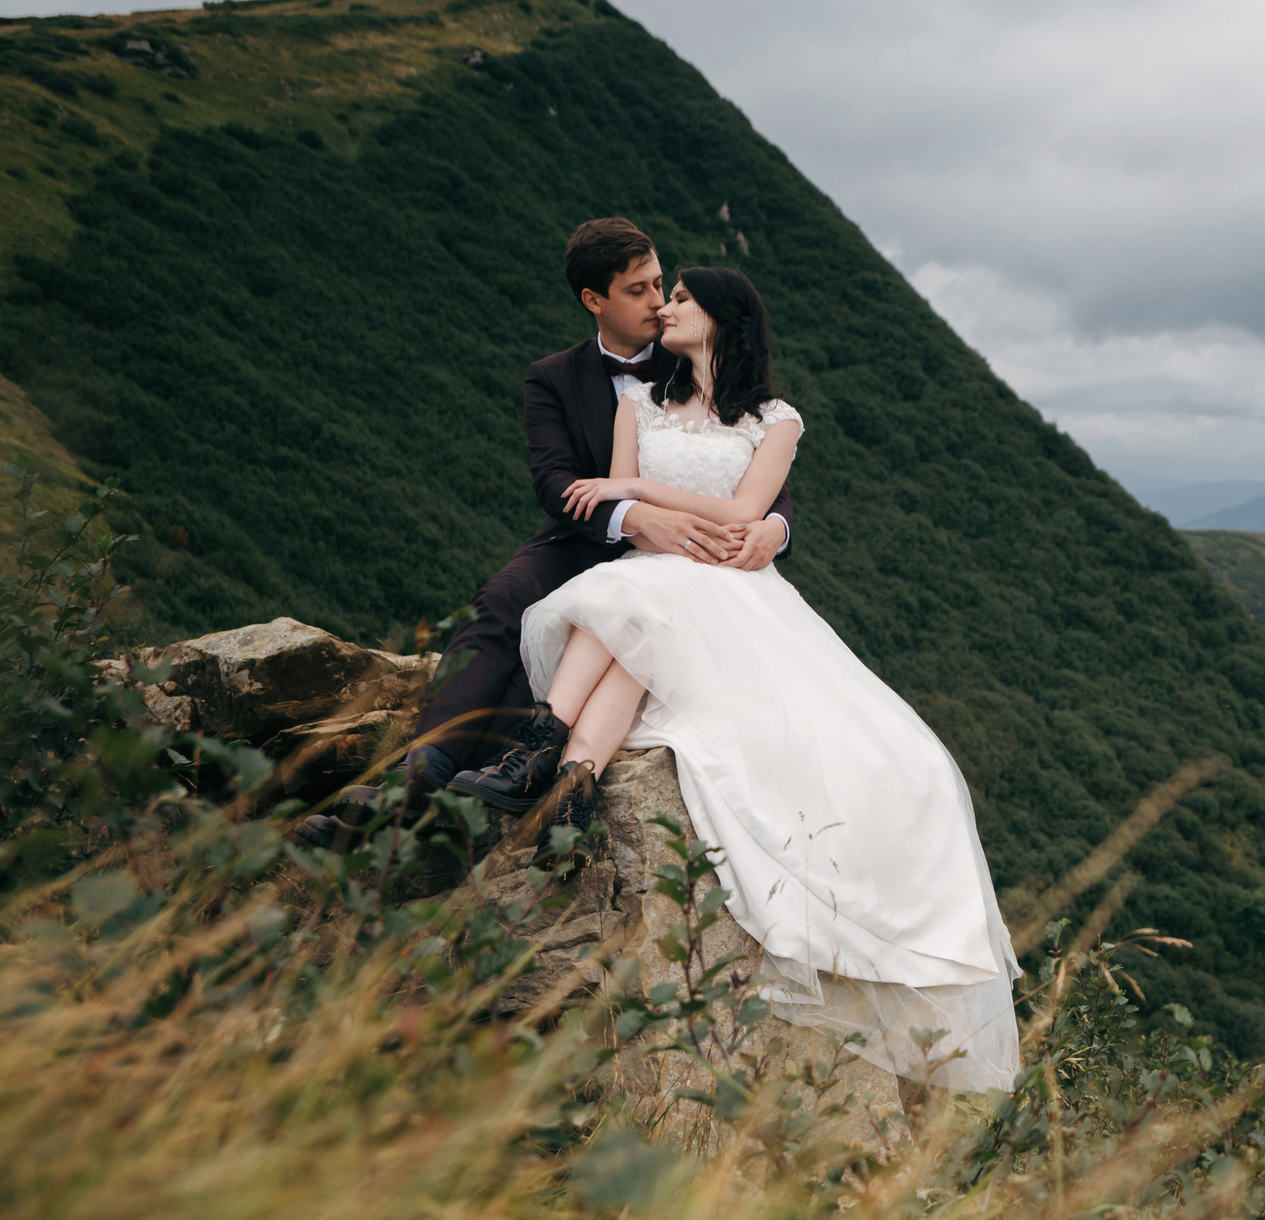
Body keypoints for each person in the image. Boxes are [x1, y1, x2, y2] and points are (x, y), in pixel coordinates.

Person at [518, 266, 1020, 1094]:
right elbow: (618, 509)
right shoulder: (636, 403)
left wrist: (642, 487)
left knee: (643, 610)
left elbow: (748, 514)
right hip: (657, 569)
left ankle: (553, 749)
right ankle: (566, 772)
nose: (666, 307)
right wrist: (643, 505)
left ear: (723, 318)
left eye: (680, 297)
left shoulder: (775, 420)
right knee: (631, 595)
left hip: (735, 586)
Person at [297, 219, 797, 846]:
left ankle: (479, 795)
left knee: (588, 637)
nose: (658, 302)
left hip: (687, 555)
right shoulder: (554, 377)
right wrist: (634, 516)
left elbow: (747, 465)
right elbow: (553, 481)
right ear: (595, 300)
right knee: (503, 605)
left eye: (661, 285)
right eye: (639, 290)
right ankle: (422, 774)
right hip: (585, 536)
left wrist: (775, 527)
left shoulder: (697, 357)